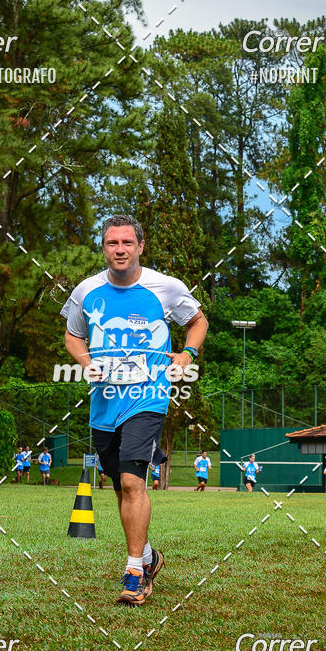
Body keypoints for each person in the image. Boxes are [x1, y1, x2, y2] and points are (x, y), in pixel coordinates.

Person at [61, 214, 208, 606]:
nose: (120, 249)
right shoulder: (87, 292)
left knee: (132, 482)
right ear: (104, 248)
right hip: (104, 402)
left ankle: (134, 575)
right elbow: (73, 336)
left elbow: (198, 321)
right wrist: (84, 362)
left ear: (141, 246)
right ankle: (148, 557)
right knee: (119, 484)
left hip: (148, 397)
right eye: (113, 243)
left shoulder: (165, 288)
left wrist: (187, 355)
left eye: (127, 242)